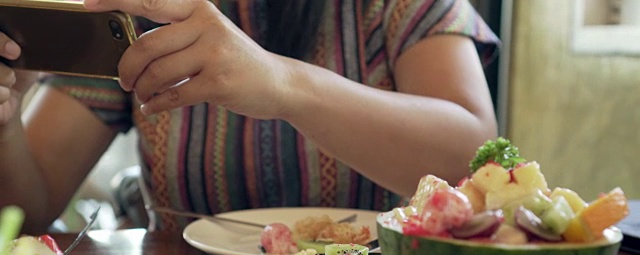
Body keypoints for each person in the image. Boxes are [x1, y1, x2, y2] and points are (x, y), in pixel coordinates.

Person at [0, 0, 500, 233]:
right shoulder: (138, 9)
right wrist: (5, 120)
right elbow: (28, 208)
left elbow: (472, 157)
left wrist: (281, 83)